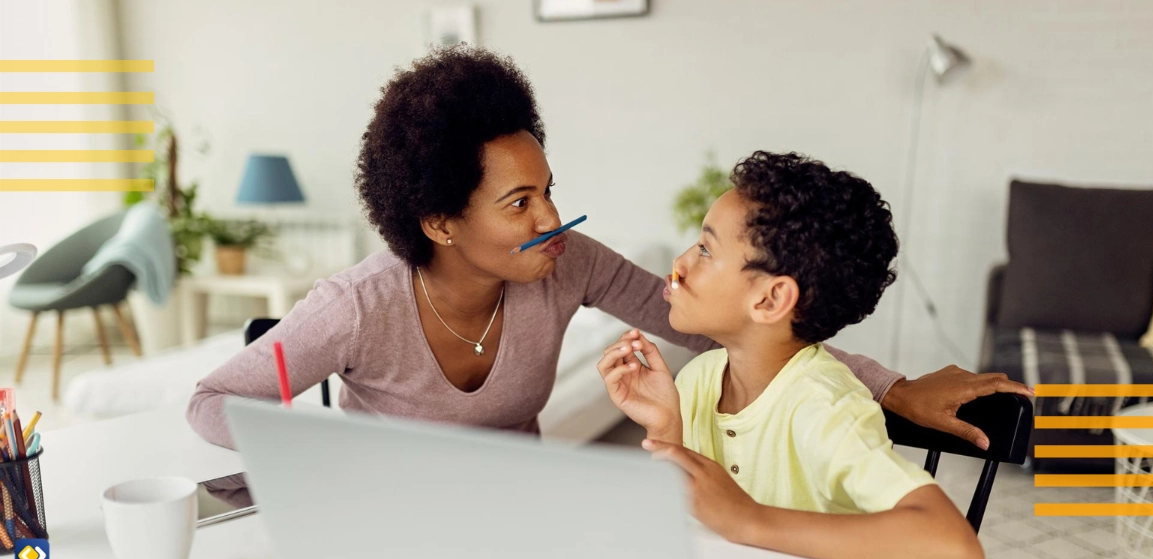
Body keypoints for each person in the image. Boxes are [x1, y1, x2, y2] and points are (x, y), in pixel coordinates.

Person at [187, 45, 1031, 454]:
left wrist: (894, 385)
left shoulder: (567, 265)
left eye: (549, 187)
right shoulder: (354, 310)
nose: (552, 217)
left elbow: (726, 331)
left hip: (524, 521)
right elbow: (213, 404)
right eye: (520, 203)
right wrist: (340, 464)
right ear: (440, 222)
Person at [597, 152, 984, 559]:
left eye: (706, 249)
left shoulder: (826, 407)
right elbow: (683, 532)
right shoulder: (700, 378)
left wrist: (750, 518)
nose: (680, 265)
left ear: (770, 300)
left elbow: (957, 551)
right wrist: (665, 429)